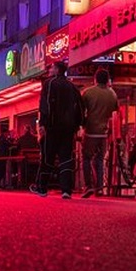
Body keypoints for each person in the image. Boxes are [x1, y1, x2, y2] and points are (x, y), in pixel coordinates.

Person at [31, 61, 84, 199]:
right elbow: (79, 107)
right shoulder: (72, 87)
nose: (50, 69)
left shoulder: (49, 84)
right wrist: (78, 124)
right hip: (68, 128)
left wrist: (43, 123)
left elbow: (45, 104)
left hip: (52, 126)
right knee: (66, 158)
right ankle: (66, 190)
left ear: (57, 70)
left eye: (52, 67)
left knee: (48, 157)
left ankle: (42, 187)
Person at [80, 69, 118, 199]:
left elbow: (81, 111)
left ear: (95, 79)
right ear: (107, 80)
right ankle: (100, 188)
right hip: (104, 132)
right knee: (100, 160)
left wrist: (83, 125)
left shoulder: (88, 93)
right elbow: (115, 111)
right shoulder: (112, 94)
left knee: (86, 158)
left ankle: (88, 186)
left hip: (90, 131)